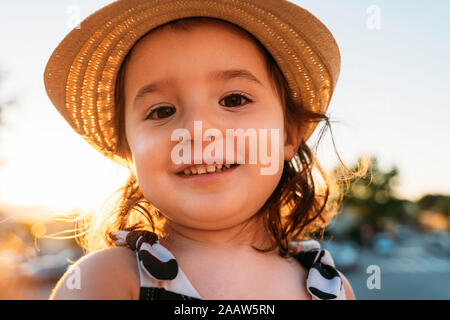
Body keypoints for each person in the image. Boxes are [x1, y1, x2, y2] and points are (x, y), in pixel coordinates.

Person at [44, 0, 361, 300]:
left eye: (234, 100)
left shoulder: (331, 286)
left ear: (288, 135)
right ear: (129, 154)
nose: (198, 129)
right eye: (162, 111)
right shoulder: (108, 280)